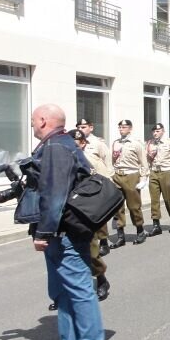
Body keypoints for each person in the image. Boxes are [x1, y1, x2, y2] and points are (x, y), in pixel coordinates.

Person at [27, 104, 105, 340]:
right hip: (60, 234)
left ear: (43, 120)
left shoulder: (57, 147)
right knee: (63, 295)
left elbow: (55, 193)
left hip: (64, 234)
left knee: (80, 293)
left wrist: (44, 232)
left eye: (33, 121)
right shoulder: (58, 144)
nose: (32, 125)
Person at [67, 129, 111, 303]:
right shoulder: (62, 159)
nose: (74, 145)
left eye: (77, 142)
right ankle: (64, 291)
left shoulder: (89, 160)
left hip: (84, 209)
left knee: (91, 249)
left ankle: (101, 279)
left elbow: (101, 184)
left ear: (83, 143)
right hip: (66, 209)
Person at [109, 120, 148, 248]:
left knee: (134, 206)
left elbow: (143, 163)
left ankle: (140, 231)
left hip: (131, 175)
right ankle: (121, 237)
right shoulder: (116, 143)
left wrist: (143, 178)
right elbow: (112, 161)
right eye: (120, 127)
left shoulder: (136, 144)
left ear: (130, 129)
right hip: (118, 176)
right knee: (117, 207)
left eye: (124, 127)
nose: (121, 129)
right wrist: (112, 175)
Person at [76, 118, 111, 255]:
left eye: (84, 127)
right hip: (83, 184)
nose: (81, 129)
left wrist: (108, 181)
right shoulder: (75, 143)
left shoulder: (98, 143)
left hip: (98, 182)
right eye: (79, 127)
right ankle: (91, 241)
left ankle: (104, 241)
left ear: (91, 128)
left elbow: (108, 161)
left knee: (99, 213)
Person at [145, 123, 170, 236]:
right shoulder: (150, 143)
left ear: (163, 131)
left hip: (166, 172)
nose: (155, 133)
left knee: (168, 199)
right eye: (154, 131)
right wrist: (146, 174)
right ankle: (156, 225)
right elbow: (147, 160)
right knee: (154, 200)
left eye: (158, 131)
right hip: (154, 172)